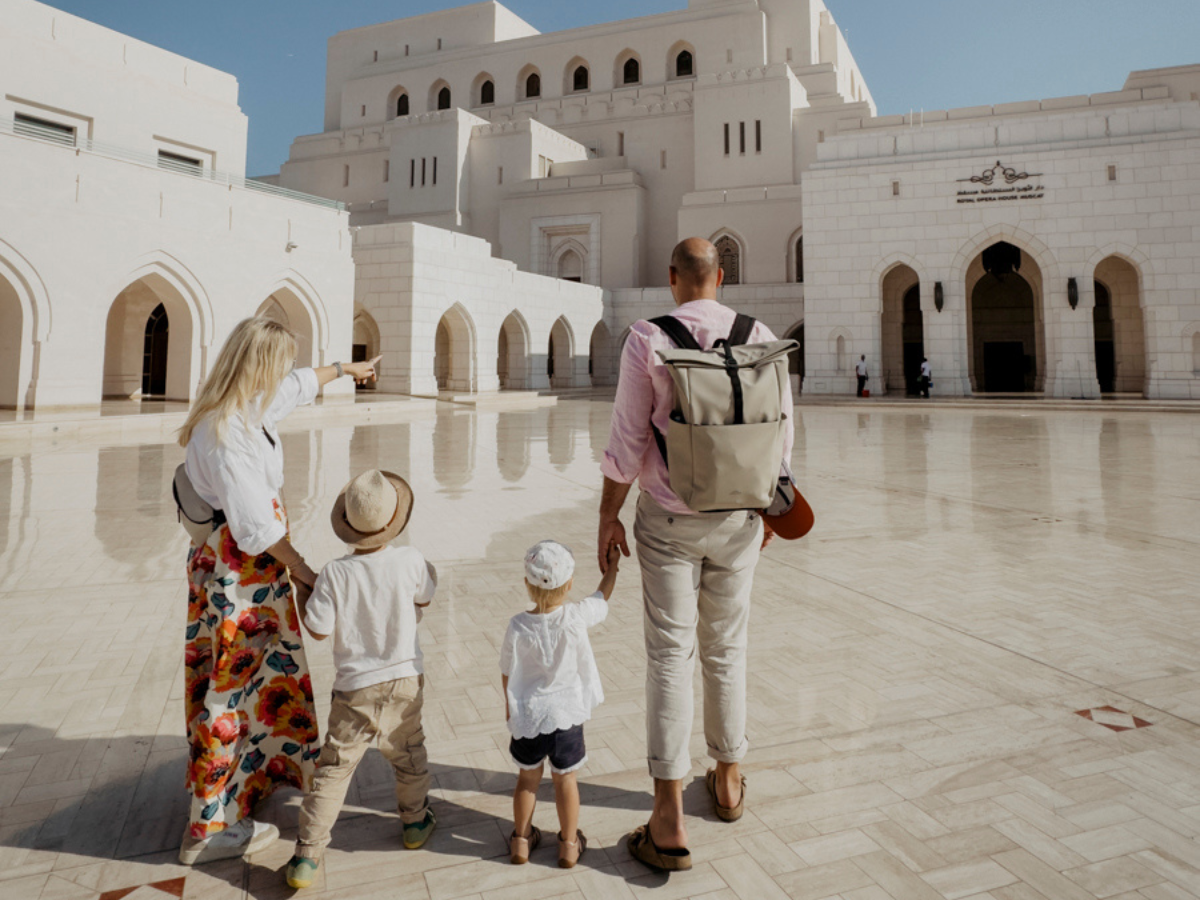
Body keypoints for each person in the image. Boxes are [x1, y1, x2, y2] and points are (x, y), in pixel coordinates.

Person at [597, 238, 794, 871]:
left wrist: (607, 512)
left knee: (668, 656)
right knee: (726, 649)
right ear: (721, 277)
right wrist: (769, 504)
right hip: (741, 516)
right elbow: (782, 428)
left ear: (674, 278)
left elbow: (628, 440)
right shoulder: (758, 332)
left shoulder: (648, 338)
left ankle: (669, 815)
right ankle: (729, 778)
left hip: (670, 520)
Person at [177, 317, 380, 866]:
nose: (285, 374)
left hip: (250, 575)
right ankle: (208, 830)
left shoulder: (250, 408)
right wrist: (308, 572)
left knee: (259, 680)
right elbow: (257, 530)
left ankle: (252, 784)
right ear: (259, 367)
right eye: (279, 363)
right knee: (227, 689)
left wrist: (344, 369)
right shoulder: (226, 435)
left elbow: (298, 385)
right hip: (237, 579)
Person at [285, 469, 438, 890]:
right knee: (409, 754)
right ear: (393, 520)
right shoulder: (410, 559)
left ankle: (307, 855)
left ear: (348, 525)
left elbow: (317, 628)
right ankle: (414, 823)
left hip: (354, 688)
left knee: (333, 770)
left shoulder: (334, 573)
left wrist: (304, 587)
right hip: (405, 680)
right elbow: (426, 594)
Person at [501, 540, 620, 869]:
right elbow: (602, 596)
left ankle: (521, 841)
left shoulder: (517, 625)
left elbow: (507, 671)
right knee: (565, 781)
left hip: (529, 717)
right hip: (566, 717)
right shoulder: (577, 616)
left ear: (527, 582)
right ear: (569, 585)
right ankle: (568, 845)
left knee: (527, 780)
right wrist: (612, 568)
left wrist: (510, 706)